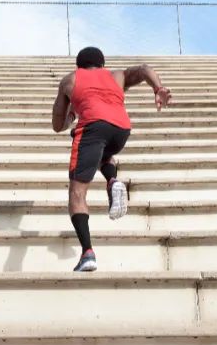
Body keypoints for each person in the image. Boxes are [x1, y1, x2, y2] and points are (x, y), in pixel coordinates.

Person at [51, 47, 172, 271]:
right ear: (102, 64)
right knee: (103, 152)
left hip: (93, 128)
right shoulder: (116, 76)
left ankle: (87, 253)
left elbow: (57, 125)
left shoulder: (70, 80)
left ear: (79, 65)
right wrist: (158, 88)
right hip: (121, 130)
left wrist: (70, 115)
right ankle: (112, 180)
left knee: (77, 193)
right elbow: (145, 68)